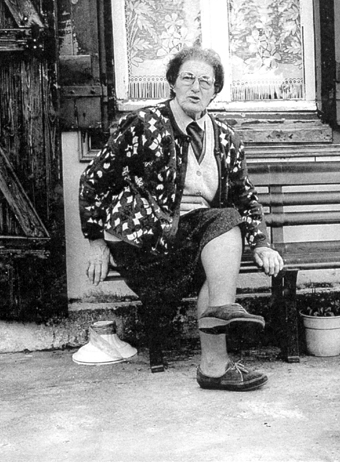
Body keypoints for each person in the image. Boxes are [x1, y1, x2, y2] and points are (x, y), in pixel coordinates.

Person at [79, 46, 284, 391]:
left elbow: (244, 196)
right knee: (223, 226)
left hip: (193, 244)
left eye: (206, 81)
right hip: (145, 249)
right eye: (187, 78)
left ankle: (214, 367)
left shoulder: (226, 139)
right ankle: (224, 312)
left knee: (222, 242)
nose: (196, 87)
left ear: (215, 91)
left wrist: (261, 244)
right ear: (172, 83)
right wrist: (97, 242)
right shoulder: (143, 125)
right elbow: (94, 181)